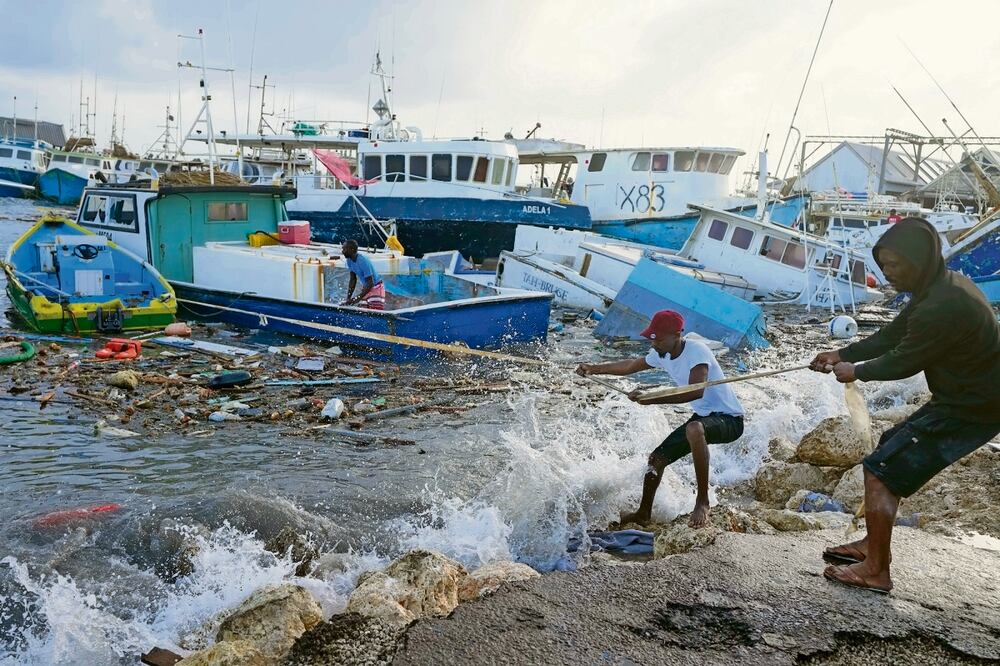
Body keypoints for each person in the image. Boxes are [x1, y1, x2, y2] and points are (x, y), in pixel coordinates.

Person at [810, 217, 1000, 594]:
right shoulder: (940, 288)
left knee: (881, 469)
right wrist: (841, 351)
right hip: (965, 397)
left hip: (974, 406)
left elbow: (903, 360)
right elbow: (893, 335)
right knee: (888, 446)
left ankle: (876, 570)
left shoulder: (941, 304)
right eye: (884, 267)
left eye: (894, 266)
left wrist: (854, 370)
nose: (888, 274)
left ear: (919, 259)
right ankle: (871, 546)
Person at [577, 310, 745, 528]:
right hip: (705, 417)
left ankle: (702, 502)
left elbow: (695, 391)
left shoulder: (697, 351)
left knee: (694, 429)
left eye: (659, 340)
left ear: (677, 335)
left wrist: (651, 398)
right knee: (656, 460)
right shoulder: (661, 353)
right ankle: (643, 514)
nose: (654, 345)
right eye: (652, 339)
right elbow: (630, 366)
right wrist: (594, 368)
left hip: (730, 420)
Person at [341, 239, 385, 310]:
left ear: (351, 249)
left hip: (376, 287)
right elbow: (353, 280)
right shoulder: (349, 261)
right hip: (366, 288)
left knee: (375, 313)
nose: (342, 251)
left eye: (344, 249)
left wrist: (357, 298)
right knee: (361, 310)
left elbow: (370, 283)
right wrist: (348, 299)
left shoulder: (362, 261)